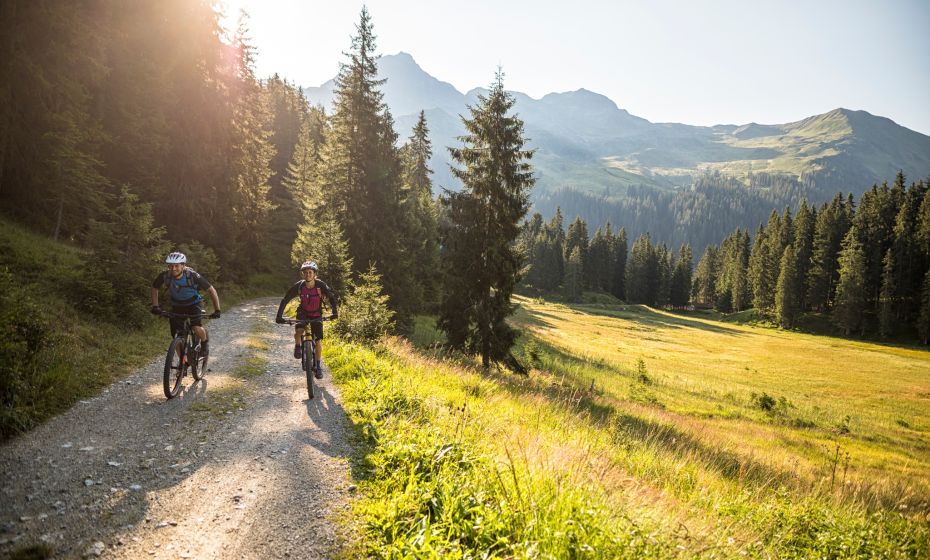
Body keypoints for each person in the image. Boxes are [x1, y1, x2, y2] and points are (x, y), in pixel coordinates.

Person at [275, 261, 338, 379]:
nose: (308, 274)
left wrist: (335, 312)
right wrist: (279, 316)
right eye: (306, 273)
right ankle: (298, 346)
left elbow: (331, 297)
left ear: (314, 274)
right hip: (303, 313)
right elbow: (285, 299)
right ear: (303, 274)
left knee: (318, 341)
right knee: (299, 331)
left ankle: (318, 366)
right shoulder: (300, 286)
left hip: (317, 314)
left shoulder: (320, 286)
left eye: (310, 272)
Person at [150, 252, 221, 353]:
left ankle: (204, 343)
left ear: (183, 265)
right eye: (170, 266)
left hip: (194, 304)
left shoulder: (192, 275)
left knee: (196, 327)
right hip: (177, 305)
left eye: (176, 265)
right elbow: (154, 288)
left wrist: (217, 309)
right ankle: (183, 364)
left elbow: (211, 290)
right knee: (177, 336)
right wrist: (155, 306)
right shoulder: (165, 275)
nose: (173, 268)